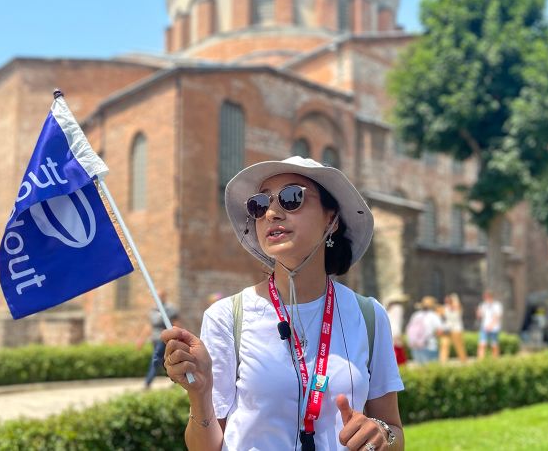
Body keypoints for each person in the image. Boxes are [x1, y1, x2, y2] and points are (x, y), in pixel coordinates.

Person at [162, 156, 405, 450]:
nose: (272, 213)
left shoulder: (368, 315)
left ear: (332, 218)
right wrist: (200, 396)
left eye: (292, 198)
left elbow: (394, 430)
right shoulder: (227, 317)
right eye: (260, 205)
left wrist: (380, 435)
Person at [136, 290, 180, 389]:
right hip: (155, 339)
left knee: (156, 359)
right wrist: (141, 339)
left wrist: (179, 337)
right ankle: (176, 380)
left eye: (160, 296)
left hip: (164, 338)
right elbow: (149, 326)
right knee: (164, 360)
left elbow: (176, 323)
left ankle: (148, 382)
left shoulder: (170, 309)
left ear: (164, 296)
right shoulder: (153, 310)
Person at [405, 296, 443, 365]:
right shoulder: (434, 316)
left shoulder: (415, 315)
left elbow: (409, 328)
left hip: (415, 345)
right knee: (431, 369)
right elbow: (439, 331)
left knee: (420, 369)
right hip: (430, 345)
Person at [385, 292, 410, 366]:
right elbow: (397, 322)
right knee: (399, 354)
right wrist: (398, 335)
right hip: (395, 332)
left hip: (389, 332)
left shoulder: (388, 309)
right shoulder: (398, 308)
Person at [476, 290, 503, 359]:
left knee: (494, 344)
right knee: (482, 344)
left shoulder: (497, 305)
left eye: (487, 297)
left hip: (494, 328)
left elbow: (497, 316)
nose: (486, 298)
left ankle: (495, 359)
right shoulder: (483, 305)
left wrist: (491, 325)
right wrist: (478, 313)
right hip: (484, 327)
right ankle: (480, 360)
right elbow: (480, 316)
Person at [441, 293, 467, 363]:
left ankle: (463, 360)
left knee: (459, 346)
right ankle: (443, 361)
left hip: (456, 329)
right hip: (447, 328)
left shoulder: (457, 307)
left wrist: (454, 300)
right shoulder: (445, 307)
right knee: (444, 344)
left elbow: (457, 307)